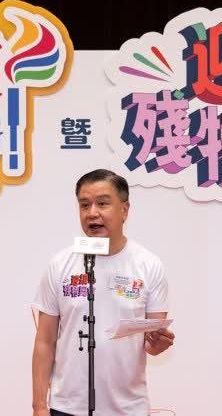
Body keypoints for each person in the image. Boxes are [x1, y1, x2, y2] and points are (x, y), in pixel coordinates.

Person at [32, 169, 175, 416]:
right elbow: (45, 341)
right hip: (67, 407)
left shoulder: (149, 265)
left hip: (128, 408)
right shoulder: (60, 264)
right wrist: (39, 406)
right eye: (84, 205)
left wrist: (158, 344)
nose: (92, 213)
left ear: (124, 210)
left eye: (102, 203)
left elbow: (152, 343)